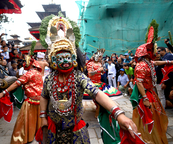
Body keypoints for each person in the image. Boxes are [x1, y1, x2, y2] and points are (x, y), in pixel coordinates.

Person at [35, 15, 137, 144]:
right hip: (53, 130)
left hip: (75, 130)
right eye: (60, 58)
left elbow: (97, 93)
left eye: (67, 57)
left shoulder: (78, 77)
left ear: (73, 58)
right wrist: (43, 116)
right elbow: (44, 96)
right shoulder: (49, 79)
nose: (65, 61)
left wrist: (119, 114)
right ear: (54, 60)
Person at [130, 40, 173, 144]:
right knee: (148, 115)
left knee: (156, 113)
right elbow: (139, 83)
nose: (155, 53)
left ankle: (155, 130)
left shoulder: (148, 62)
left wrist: (169, 62)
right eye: (152, 50)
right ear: (146, 53)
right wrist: (145, 98)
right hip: (145, 94)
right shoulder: (141, 65)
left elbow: (156, 63)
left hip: (151, 92)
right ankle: (146, 137)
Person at [0, 55, 43, 144]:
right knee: (38, 122)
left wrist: (3, 92)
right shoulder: (38, 73)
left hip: (30, 103)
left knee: (23, 123)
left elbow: (16, 84)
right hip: (40, 102)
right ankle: (36, 136)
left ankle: (25, 138)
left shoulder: (28, 74)